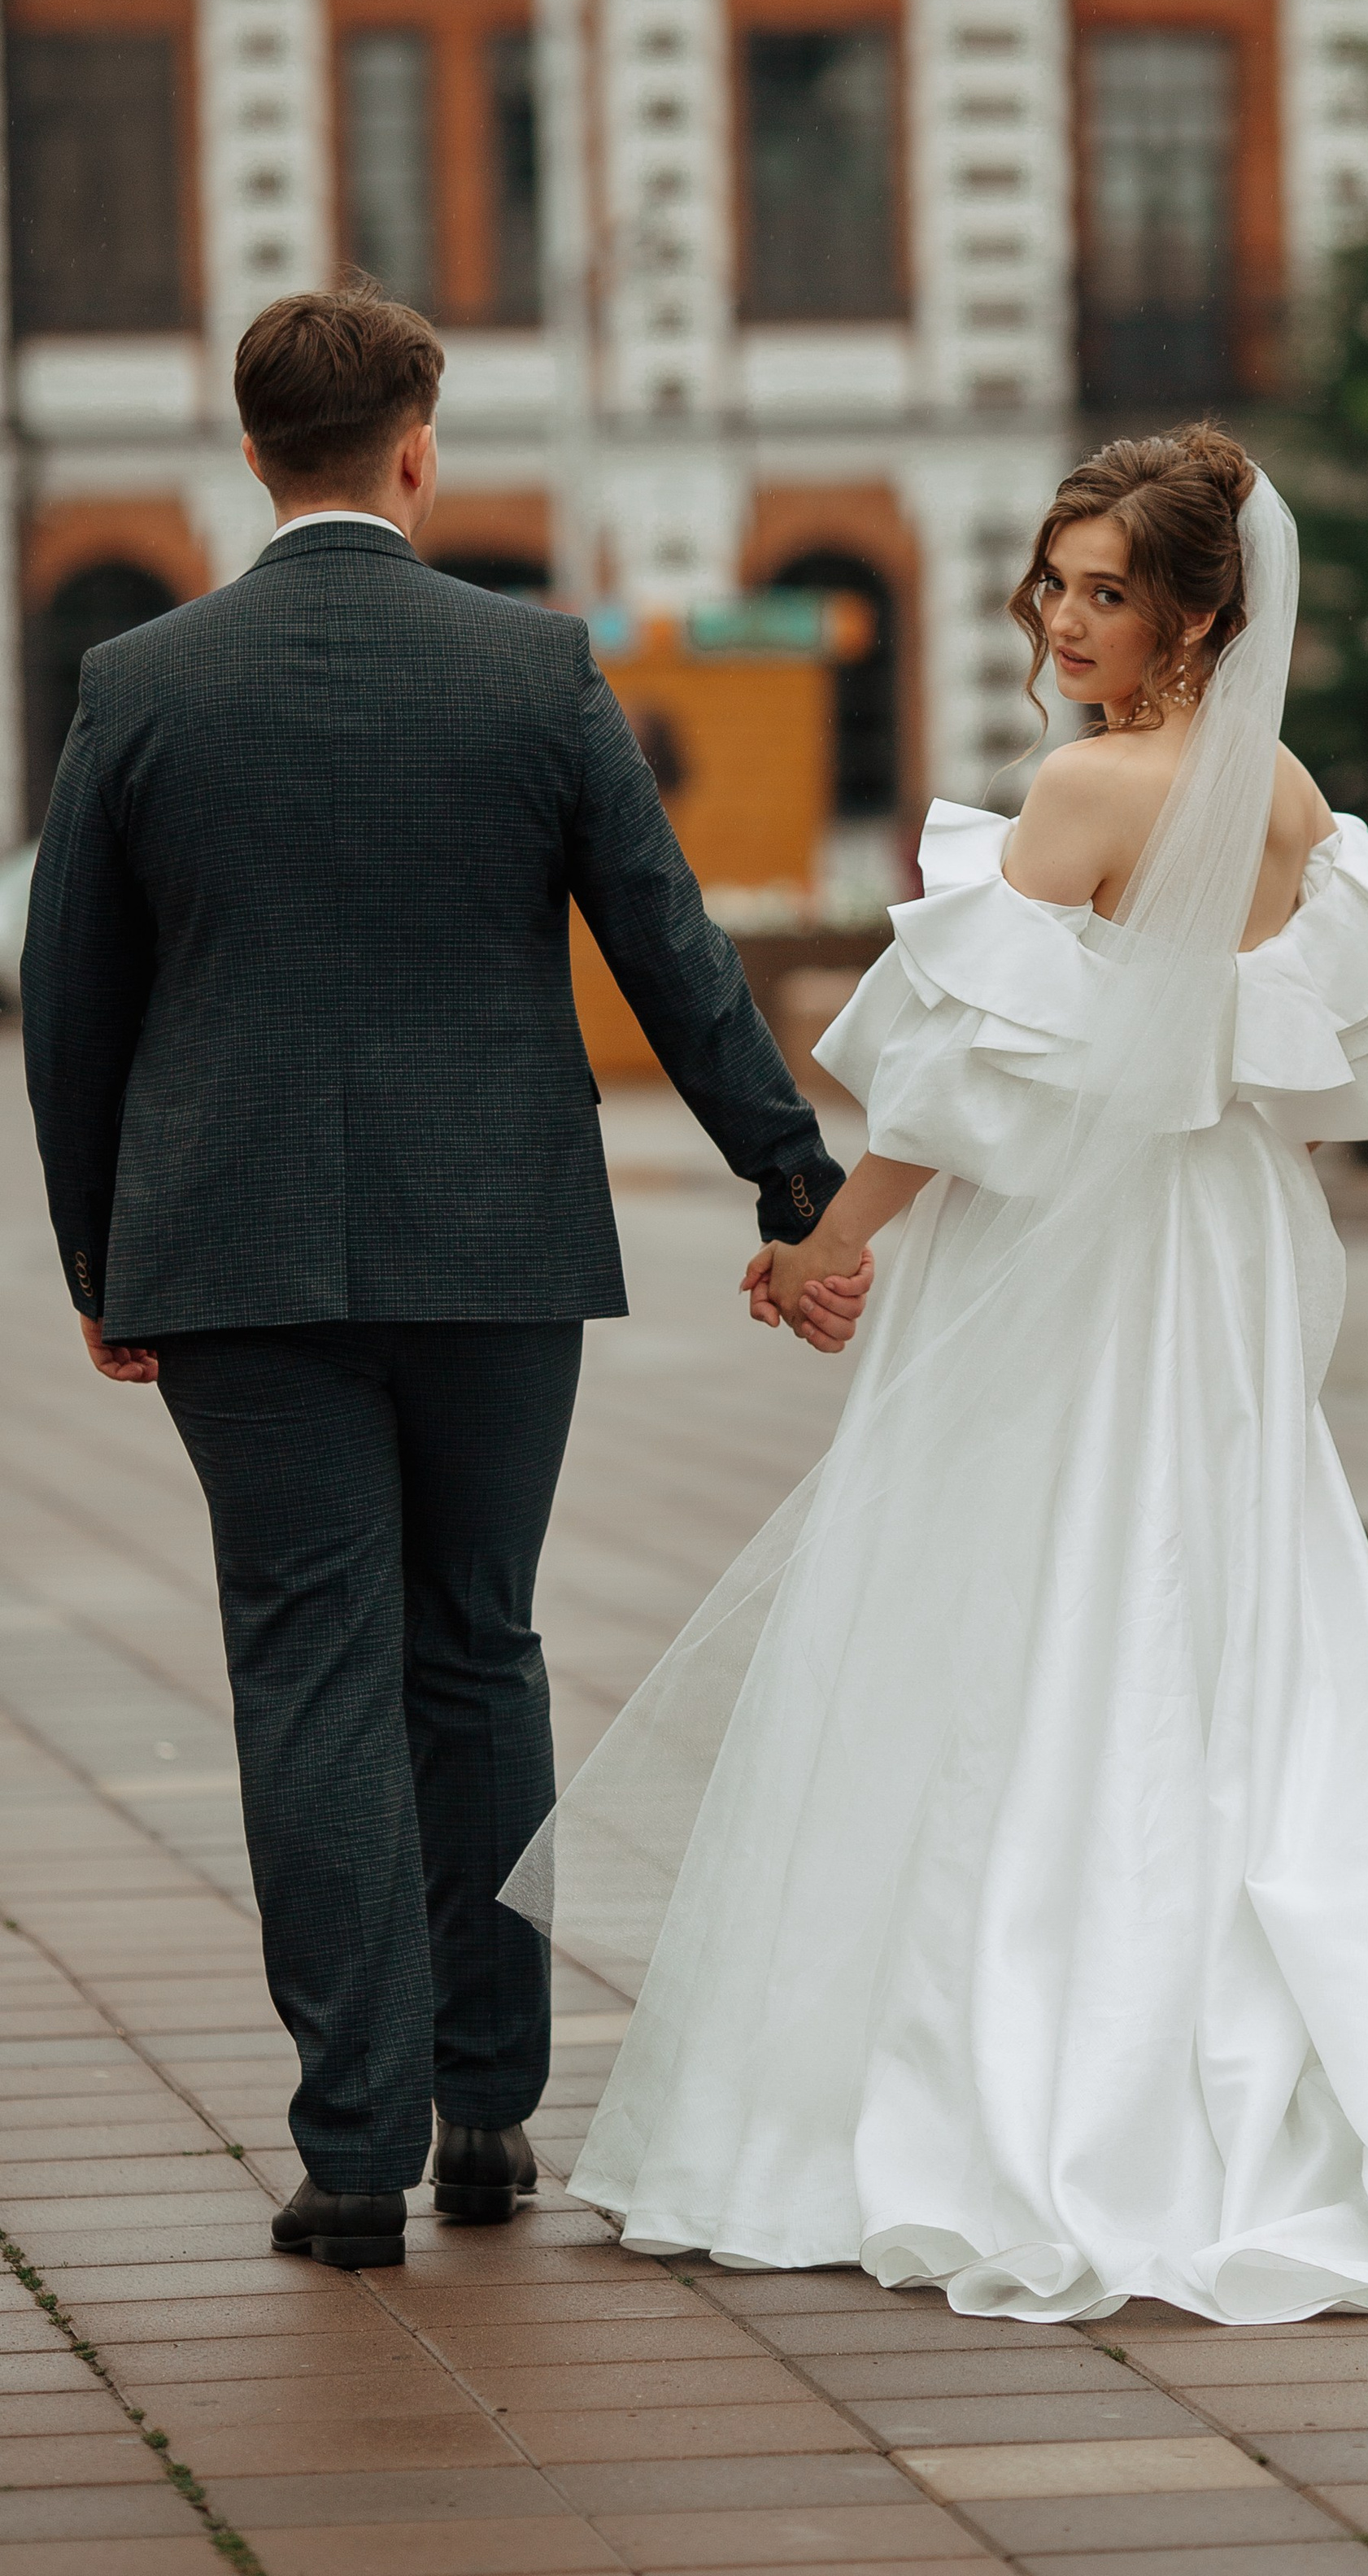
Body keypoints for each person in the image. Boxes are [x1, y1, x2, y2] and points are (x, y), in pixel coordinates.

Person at [507, 422, 1368, 2324]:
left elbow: (952, 1084)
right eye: (1054, 586)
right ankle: (1248, 2058)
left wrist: (824, 1243)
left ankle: (1002, 2076)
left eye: (1106, 594)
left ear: (1197, 616)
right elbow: (1314, 1050)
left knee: (1020, 1601)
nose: (1062, 623)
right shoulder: (1285, 792)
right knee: (1223, 1601)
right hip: (1220, 1244)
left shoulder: (1082, 794)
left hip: (1076, 1244)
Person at [20, 283, 867, 2273]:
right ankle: (488, 2107)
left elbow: (72, 1005)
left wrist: (99, 1253)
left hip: (230, 1256)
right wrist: (792, 1181)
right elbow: (668, 947)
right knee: (478, 1645)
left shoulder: (140, 682)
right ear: (417, 448)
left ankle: (350, 2150)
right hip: (495, 1240)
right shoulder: (532, 668)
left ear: (251, 455)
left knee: (308, 1662)